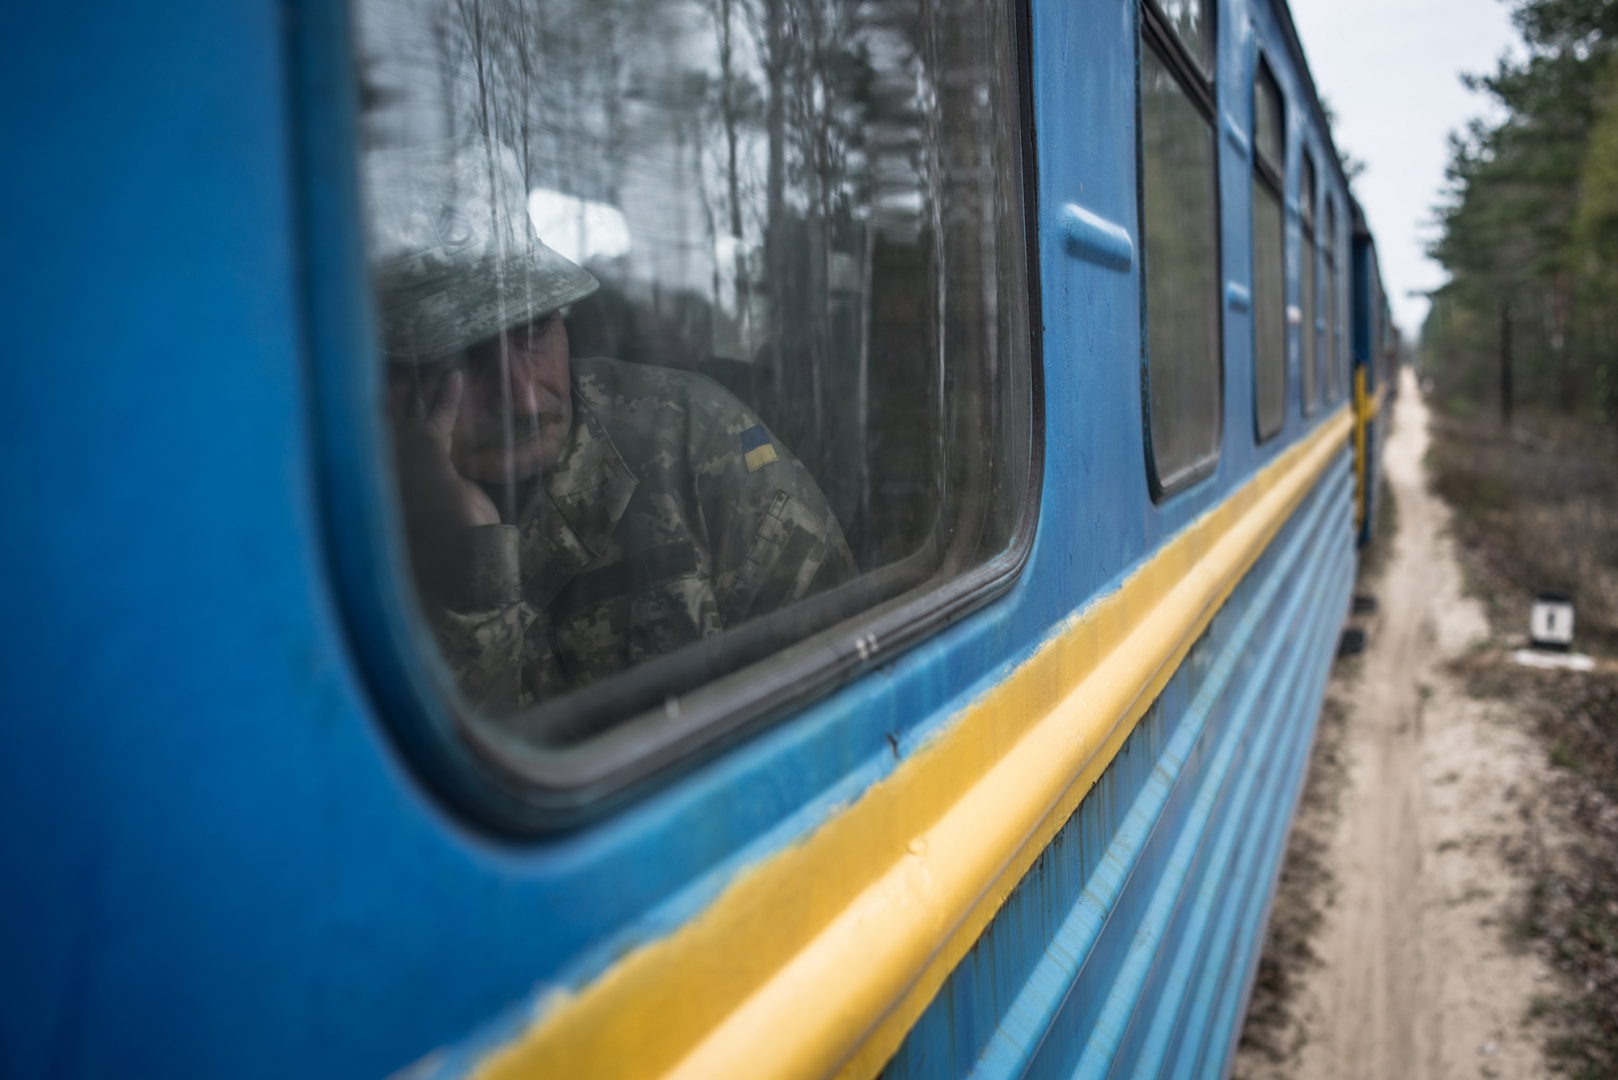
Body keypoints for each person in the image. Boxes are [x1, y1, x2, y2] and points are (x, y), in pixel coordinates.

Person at [368, 137, 856, 718]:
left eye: (534, 329)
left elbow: (847, 700)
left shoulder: (692, 442)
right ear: (390, 378)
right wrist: (464, 567)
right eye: (466, 353)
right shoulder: (346, 526)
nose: (523, 399)